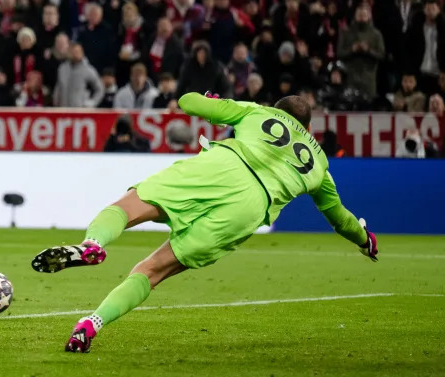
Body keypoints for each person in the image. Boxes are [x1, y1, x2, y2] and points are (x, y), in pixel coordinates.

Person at [32, 93, 378, 352]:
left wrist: (211, 99)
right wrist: (365, 239)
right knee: (152, 270)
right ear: (309, 128)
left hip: (221, 167)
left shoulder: (256, 112)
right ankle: (92, 324)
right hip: (249, 208)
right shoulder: (319, 166)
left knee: (128, 206)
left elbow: (189, 102)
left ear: (277, 109)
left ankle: (94, 244)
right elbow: (341, 218)